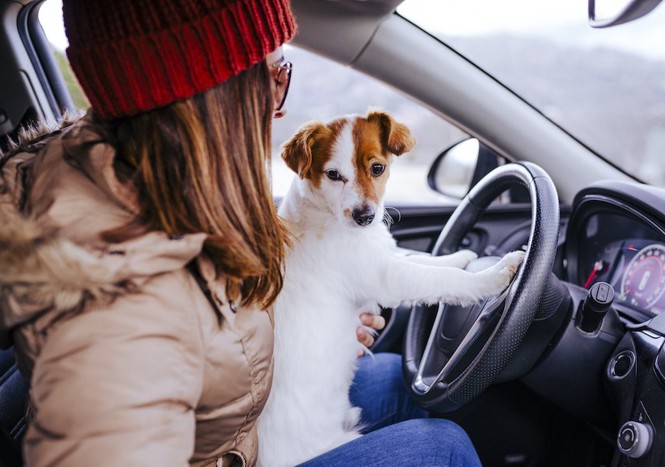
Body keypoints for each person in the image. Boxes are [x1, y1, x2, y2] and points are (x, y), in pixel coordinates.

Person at [0, 0, 481, 465]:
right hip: (239, 451)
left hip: (244, 424)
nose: (277, 103)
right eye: (276, 76)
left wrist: (311, 333)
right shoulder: (117, 287)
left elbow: (209, 323)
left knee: (398, 380)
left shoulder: (172, 190)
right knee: (443, 446)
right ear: (215, 94)